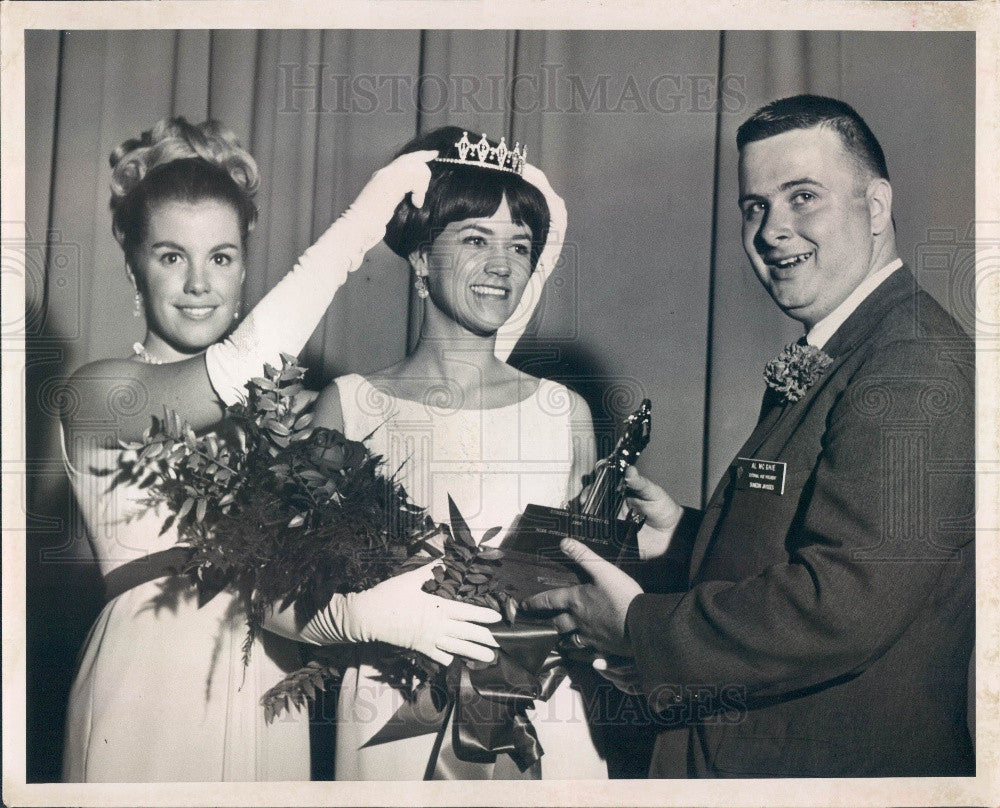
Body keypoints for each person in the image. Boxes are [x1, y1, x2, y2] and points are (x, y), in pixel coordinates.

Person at [524, 95, 975, 777]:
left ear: (876, 206)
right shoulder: (857, 343)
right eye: (755, 206)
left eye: (803, 197)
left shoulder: (912, 359)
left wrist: (637, 628)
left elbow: (844, 602)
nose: (772, 230)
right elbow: (816, 538)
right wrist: (686, 537)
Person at [59, 117, 483, 781]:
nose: (199, 283)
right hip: (150, 682)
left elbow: (287, 601)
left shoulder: (280, 425)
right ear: (134, 264)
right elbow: (243, 364)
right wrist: (365, 218)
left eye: (220, 257)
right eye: (172, 256)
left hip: (269, 687)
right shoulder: (98, 393)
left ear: (244, 266)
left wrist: (364, 612)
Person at [306, 126, 609, 780]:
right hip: (393, 720)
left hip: (543, 718)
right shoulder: (352, 407)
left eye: (519, 245)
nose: (502, 265)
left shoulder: (566, 413)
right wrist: (370, 616)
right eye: (475, 239)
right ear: (419, 260)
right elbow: (281, 598)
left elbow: (593, 587)